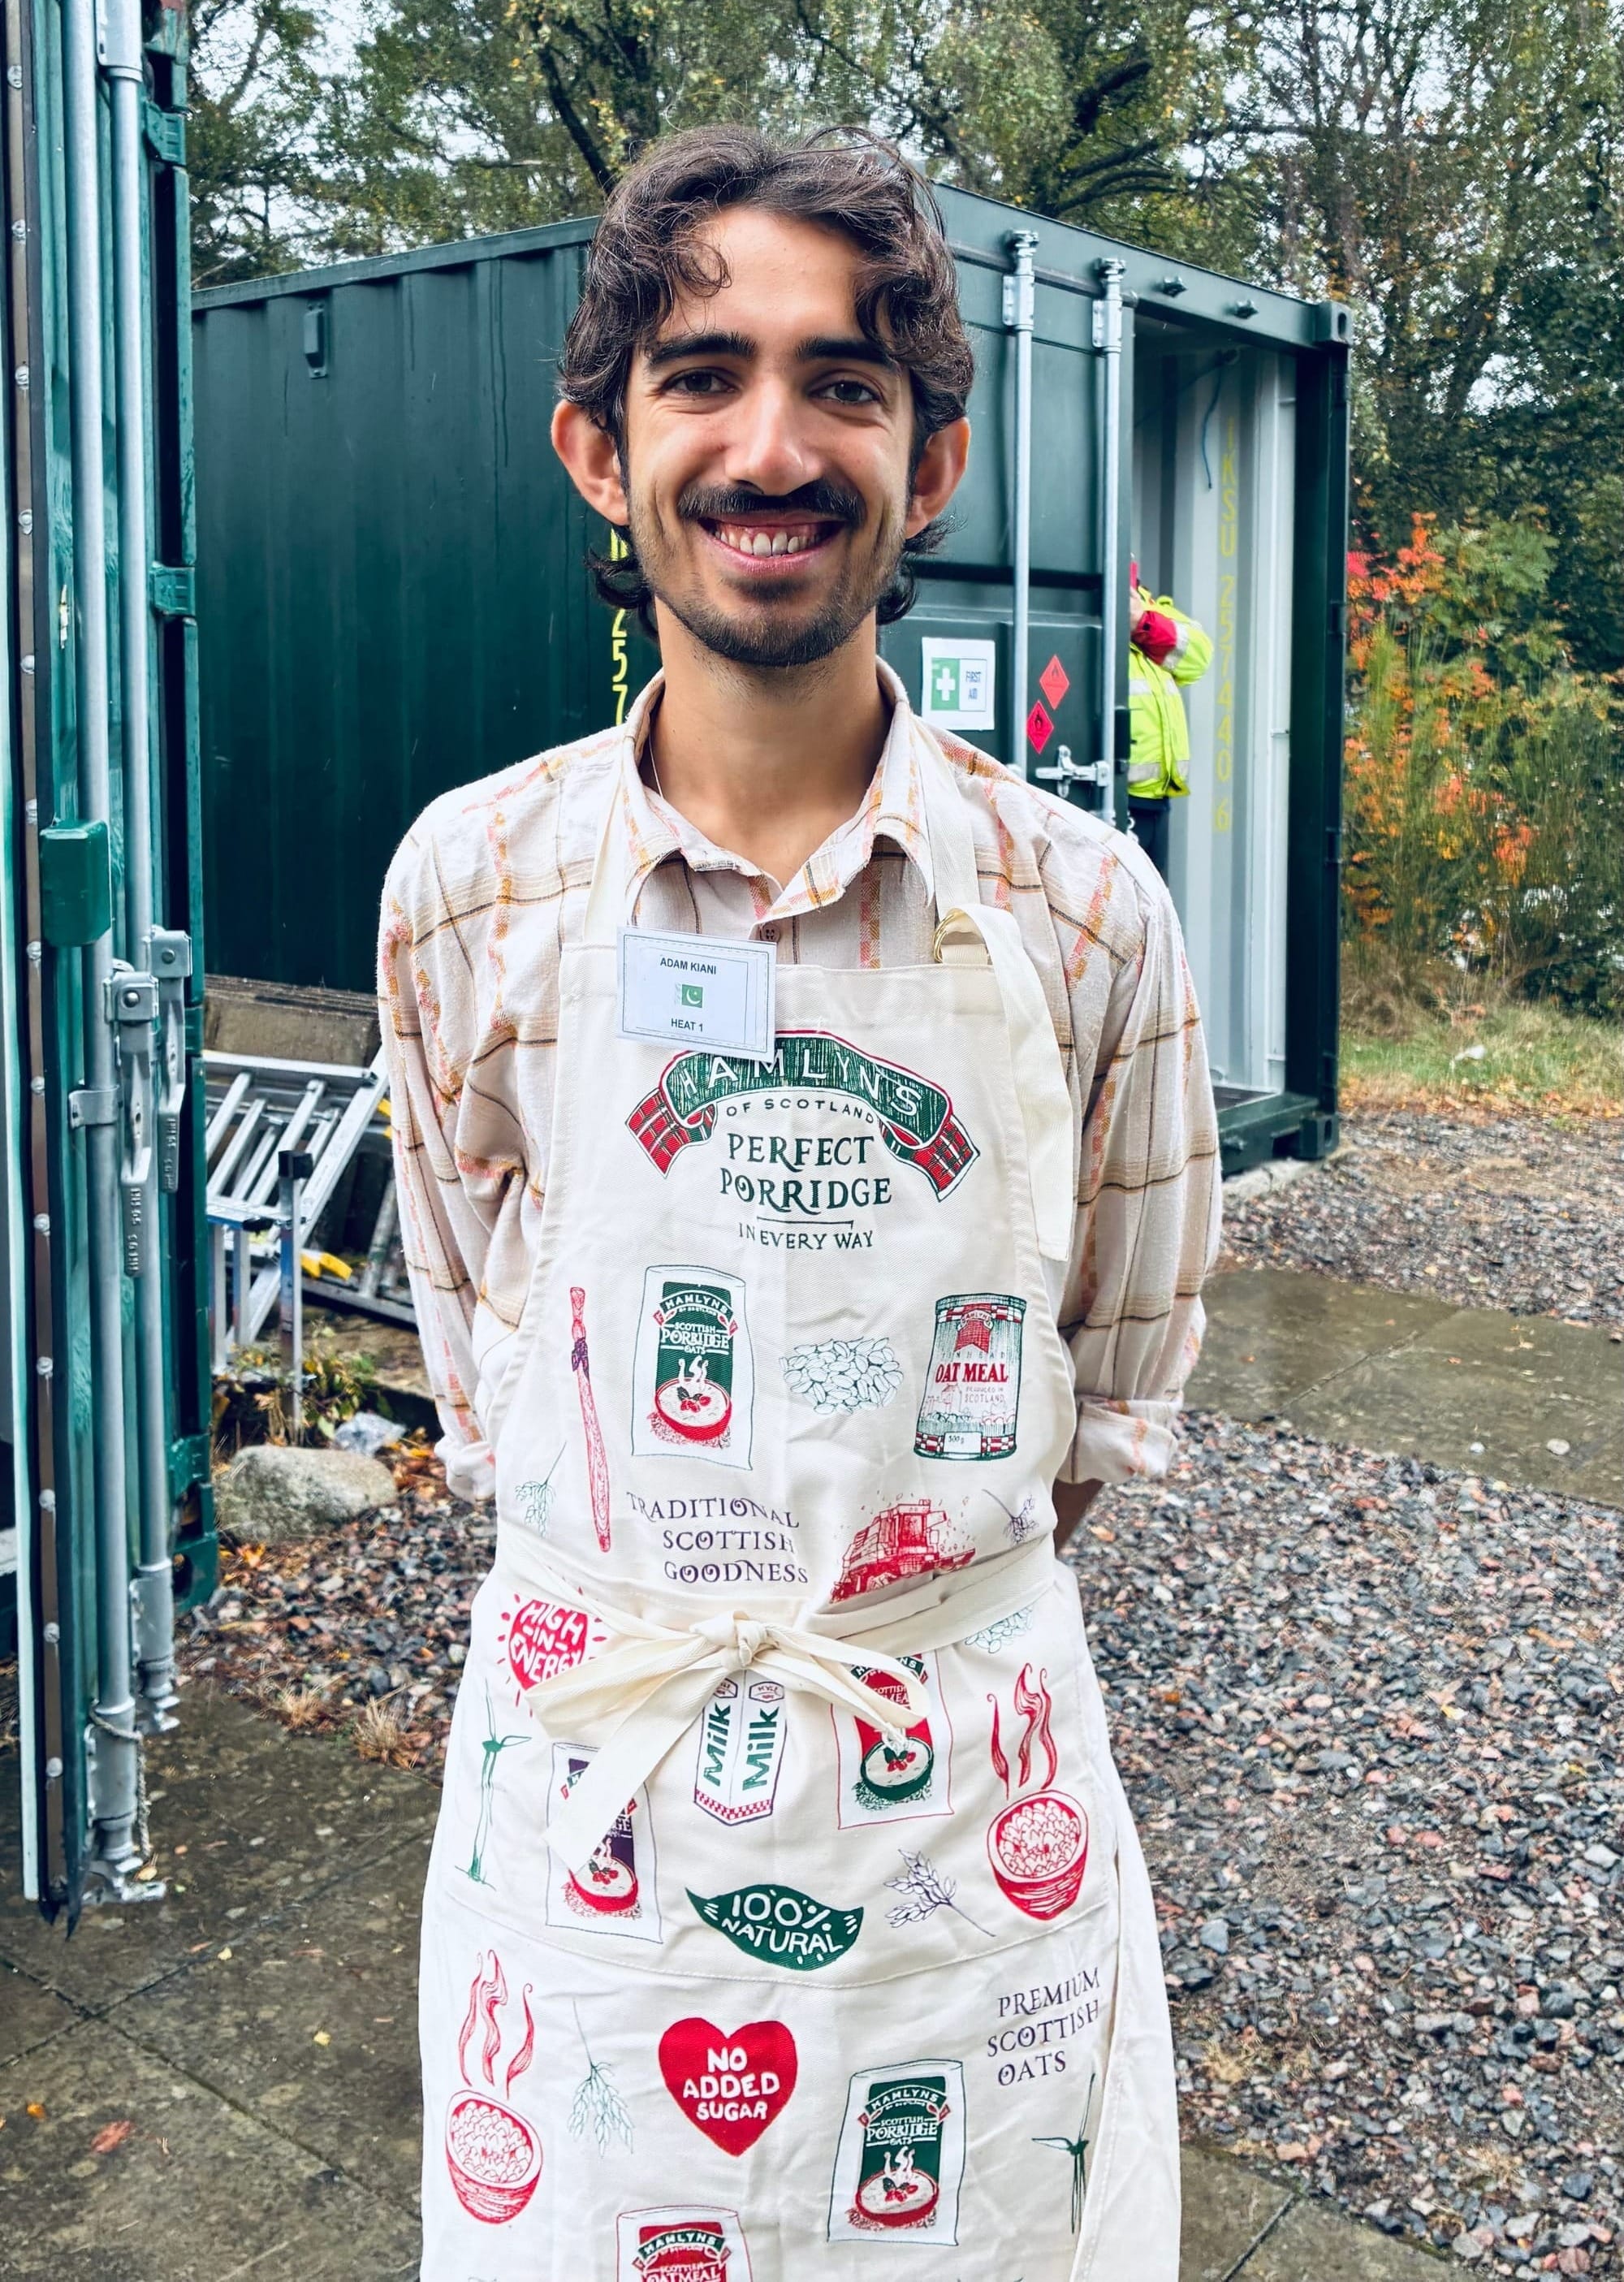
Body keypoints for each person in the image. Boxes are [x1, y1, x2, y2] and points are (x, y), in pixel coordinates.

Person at [381, 124, 1220, 2282]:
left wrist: (889, 1588)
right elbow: (481, 1340)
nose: (776, 442)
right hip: (601, 1828)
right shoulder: (467, 889)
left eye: (846, 382)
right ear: (598, 445)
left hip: (965, 1847)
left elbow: (1111, 1384)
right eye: (703, 373)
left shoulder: (1084, 913)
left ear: (929, 461)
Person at [1126, 560, 1212, 882]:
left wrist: (1141, 622)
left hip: (1156, 801)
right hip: (1119, 795)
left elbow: (1198, 656)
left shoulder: (1151, 609)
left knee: (1149, 907)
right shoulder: (1092, 610)